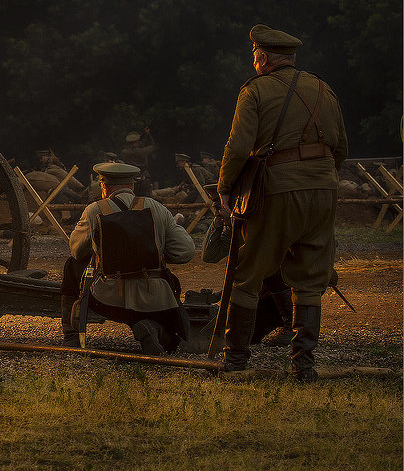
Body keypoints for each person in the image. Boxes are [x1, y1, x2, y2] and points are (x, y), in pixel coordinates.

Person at [216, 24, 348, 380]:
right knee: (309, 278)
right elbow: (340, 148)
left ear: (262, 57)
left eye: (254, 56)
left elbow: (240, 147)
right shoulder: (324, 89)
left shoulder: (254, 91)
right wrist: (320, 180)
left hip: (277, 189)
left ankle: (235, 359)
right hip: (324, 189)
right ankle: (303, 365)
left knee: (249, 273)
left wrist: (225, 188)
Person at [60, 161, 197, 353]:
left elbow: (76, 251)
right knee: (172, 341)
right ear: (132, 186)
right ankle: (152, 328)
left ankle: (71, 334)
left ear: (104, 186)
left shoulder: (94, 210)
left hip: (108, 297)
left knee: (72, 265)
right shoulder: (157, 208)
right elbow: (185, 251)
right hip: (154, 297)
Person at [120, 127, 156, 195]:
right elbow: (152, 145)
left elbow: (129, 146)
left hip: (130, 178)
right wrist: (148, 134)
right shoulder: (143, 151)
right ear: (137, 142)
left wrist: (142, 136)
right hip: (143, 176)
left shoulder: (124, 152)